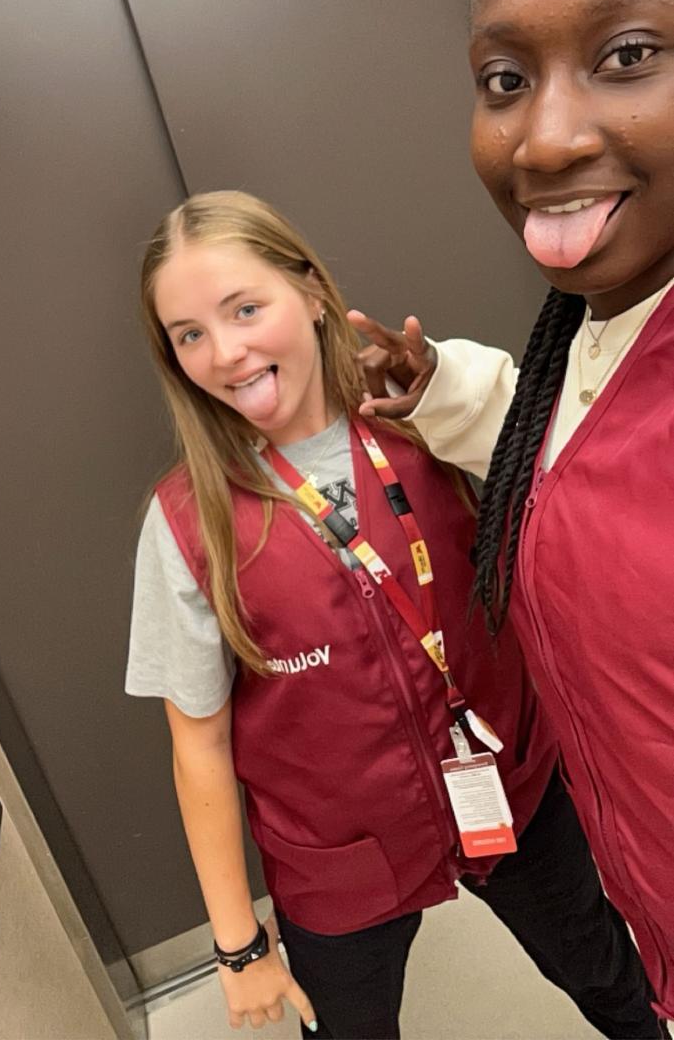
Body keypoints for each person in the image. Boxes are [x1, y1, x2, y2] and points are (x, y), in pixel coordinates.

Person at [126, 189, 660, 1039]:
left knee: (612, 983)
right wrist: (238, 945)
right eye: (188, 334)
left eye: (245, 309)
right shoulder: (190, 522)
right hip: (336, 863)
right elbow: (198, 743)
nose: (225, 352)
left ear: (310, 291)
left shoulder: (421, 420)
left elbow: (580, 481)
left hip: (509, 789)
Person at [350, 0, 674, 1029]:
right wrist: (441, 388)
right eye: (503, 78)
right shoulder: (592, 334)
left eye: (625, 54)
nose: (542, 139)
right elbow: (576, 465)